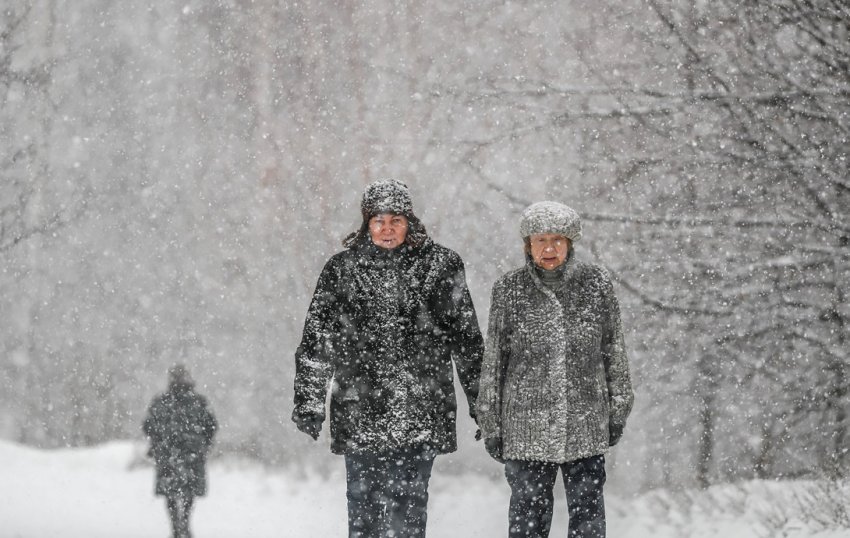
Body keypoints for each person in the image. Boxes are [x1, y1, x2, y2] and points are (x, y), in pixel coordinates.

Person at [292, 179, 484, 538]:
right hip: (359, 408)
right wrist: (308, 402)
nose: (387, 229)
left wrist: (482, 405)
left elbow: (467, 341)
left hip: (421, 408)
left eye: (396, 219)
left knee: (410, 512)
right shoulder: (342, 270)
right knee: (362, 512)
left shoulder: (439, 266)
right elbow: (317, 341)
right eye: (379, 220)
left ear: (410, 221)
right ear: (366, 223)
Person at [476, 201, 634, 538]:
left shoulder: (596, 285)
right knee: (527, 523)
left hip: (586, 422)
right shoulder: (509, 290)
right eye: (540, 240)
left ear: (571, 243)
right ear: (527, 246)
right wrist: (490, 421)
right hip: (525, 427)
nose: (549, 248)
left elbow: (614, 351)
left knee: (588, 519)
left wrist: (618, 409)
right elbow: (494, 361)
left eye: (558, 240)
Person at [143, 365, 217, 538]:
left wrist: (157, 441)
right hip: (192, 453)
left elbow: (148, 426)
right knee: (188, 491)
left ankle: (177, 525)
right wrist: (204, 444)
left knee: (170, 492)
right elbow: (211, 426)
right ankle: (183, 522)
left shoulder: (161, 401)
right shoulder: (199, 401)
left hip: (167, 453)